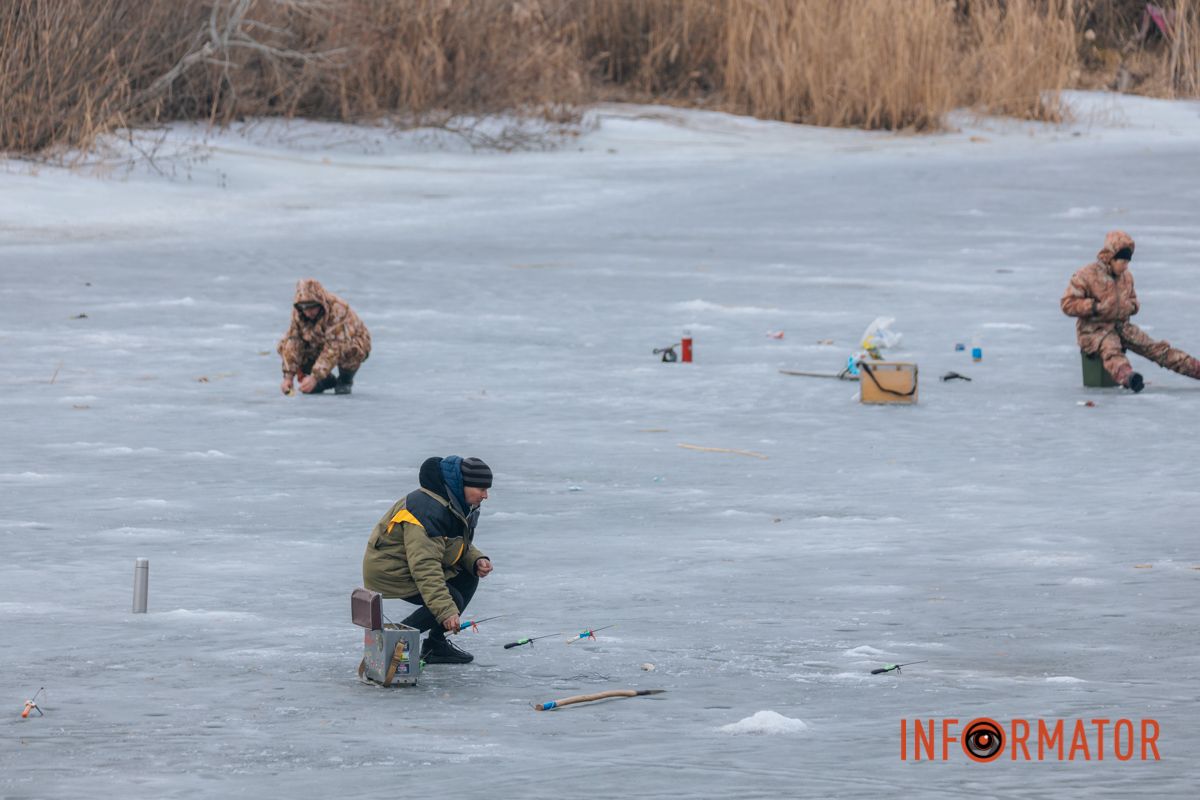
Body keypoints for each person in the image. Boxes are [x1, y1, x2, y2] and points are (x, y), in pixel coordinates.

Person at [362, 456, 494, 664]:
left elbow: (453, 543)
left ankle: (436, 646)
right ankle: (391, 641)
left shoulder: (454, 502)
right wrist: (446, 611)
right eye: (482, 489)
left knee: (469, 577)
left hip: (412, 564)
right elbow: (424, 566)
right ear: (463, 485)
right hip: (391, 572)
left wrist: (475, 559)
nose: (486, 496)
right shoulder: (426, 510)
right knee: (451, 600)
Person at [1061, 230, 1200, 393]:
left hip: (1121, 325)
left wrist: (1130, 306)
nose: (1125, 266)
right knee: (1111, 349)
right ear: (1111, 258)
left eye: (1128, 262)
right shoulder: (1086, 275)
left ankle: (1195, 369)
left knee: (1156, 349)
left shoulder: (1126, 277)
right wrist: (1095, 307)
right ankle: (1129, 377)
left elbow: (1134, 302)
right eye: (1122, 261)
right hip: (1094, 330)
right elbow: (1067, 304)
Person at [277, 278, 371, 395]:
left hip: (348, 340)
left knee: (351, 349)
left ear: (321, 303)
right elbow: (293, 341)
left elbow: (335, 346)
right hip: (318, 341)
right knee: (284, 345)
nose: (307, 312)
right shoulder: (299, 312)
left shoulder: (337, 309)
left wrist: (315, 377)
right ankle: (326, 381)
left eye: (312, 307)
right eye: (304, 308)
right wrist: (288, 376)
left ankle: (345, 380)